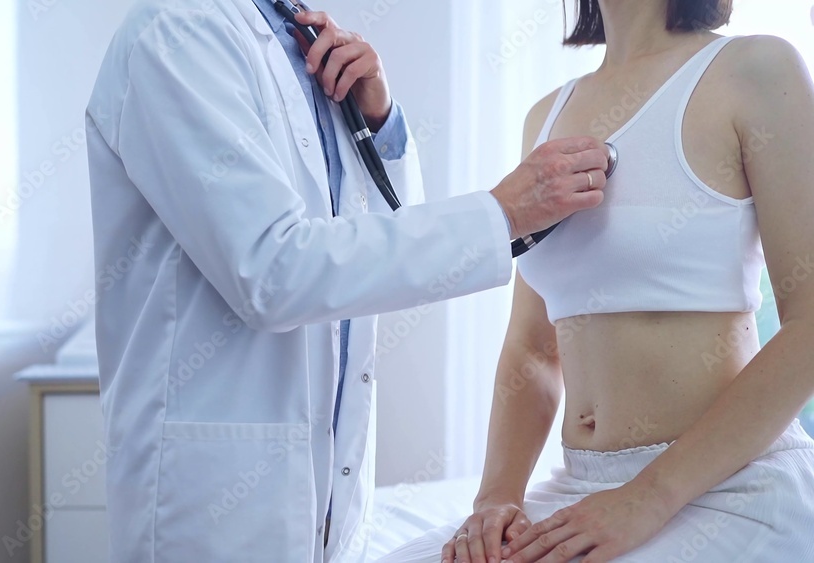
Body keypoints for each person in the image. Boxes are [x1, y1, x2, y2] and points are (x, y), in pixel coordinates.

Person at [83, 0, 610, 561]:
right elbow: (272, 271)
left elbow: (382, 240)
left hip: (326, 487)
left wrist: (379, 124)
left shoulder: (298, 44)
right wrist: (502, 212)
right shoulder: (176, 35)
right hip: (214, 497)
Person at [378, 1, 814, 562]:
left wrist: (647, 498)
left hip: (725, 485)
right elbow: (534, 350)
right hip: (581, 489)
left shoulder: (756, 69)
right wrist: (495, 498)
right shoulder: (547, 115)